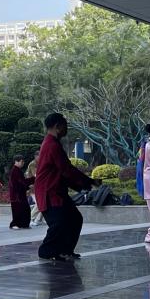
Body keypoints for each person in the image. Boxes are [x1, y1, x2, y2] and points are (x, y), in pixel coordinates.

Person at [34, 112, 95, 261]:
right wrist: (87, 182)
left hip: (55, 191)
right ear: (57, 126)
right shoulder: (52, 145)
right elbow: (66, 169)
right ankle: (46, 251)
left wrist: (83, 184)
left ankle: (65, 250)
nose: (66, 129)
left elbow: (63, 172)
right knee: (59, 223)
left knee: (74, 219)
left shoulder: (52, 143)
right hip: (49, 192)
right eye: (65, 125)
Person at [8, 156, 34, 229]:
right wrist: (31, 181)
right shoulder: (14, 171)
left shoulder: (18, 170)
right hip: (16, 195)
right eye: (21, 161)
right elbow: (19, 183)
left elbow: (22, 182)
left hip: (20, 194)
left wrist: (28, 185)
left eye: (23, 161)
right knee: (18, 210)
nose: (23, 163)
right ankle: (15, 224)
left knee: (24, 209)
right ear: (16, 161)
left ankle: (24, 224)